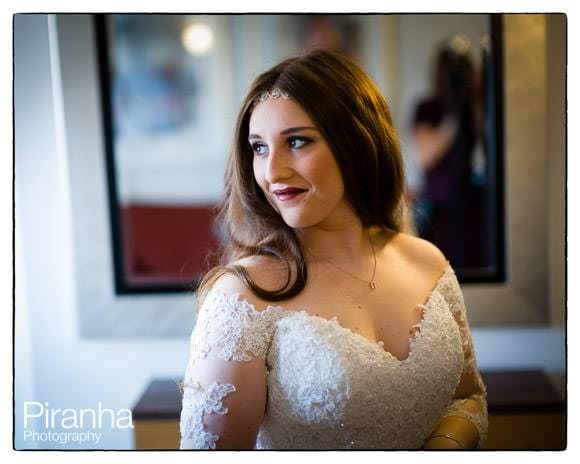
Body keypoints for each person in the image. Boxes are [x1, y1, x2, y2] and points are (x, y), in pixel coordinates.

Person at [179, 49, 488, 450]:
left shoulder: (427, 262)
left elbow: (468, 398)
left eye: (296, 141)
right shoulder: (242, 297)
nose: (271, 173)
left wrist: (444, 447)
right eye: (259, 148)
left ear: (357, 142)